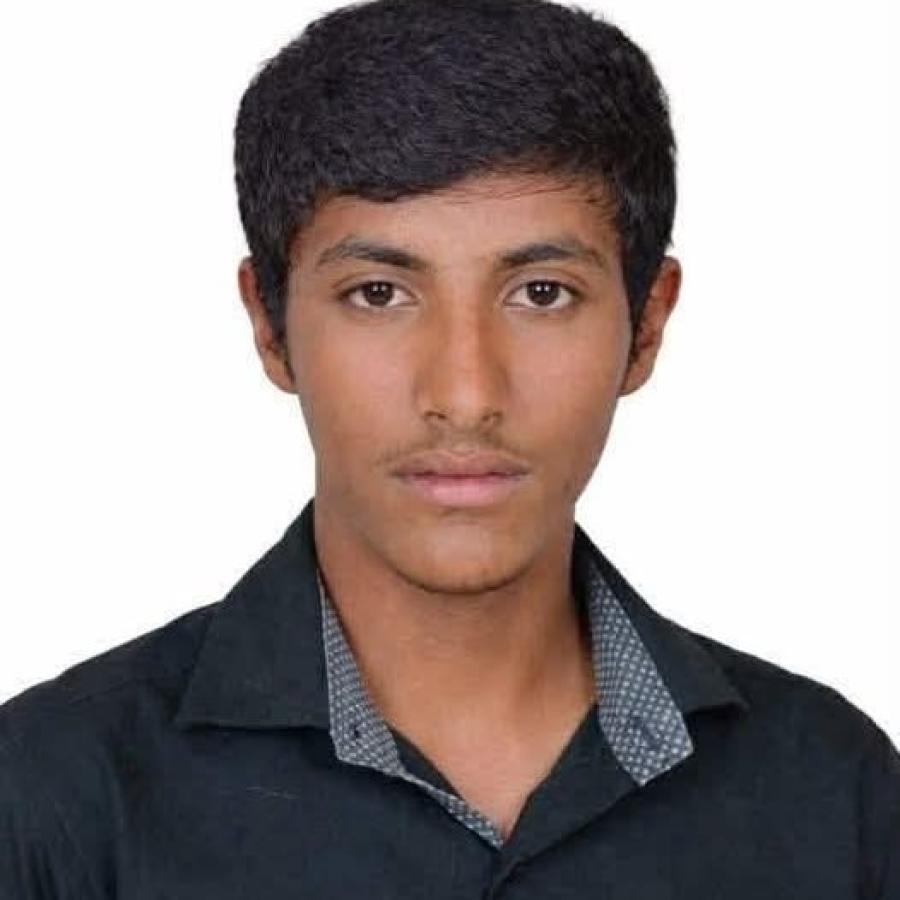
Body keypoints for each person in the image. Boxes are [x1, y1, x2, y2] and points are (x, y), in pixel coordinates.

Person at [1, 0, 897, 895]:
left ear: (647, 324)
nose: (466, 397)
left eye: (542, 293)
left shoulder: (835, 791)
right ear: (269, 326)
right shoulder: (50, 799)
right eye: (378, 294)